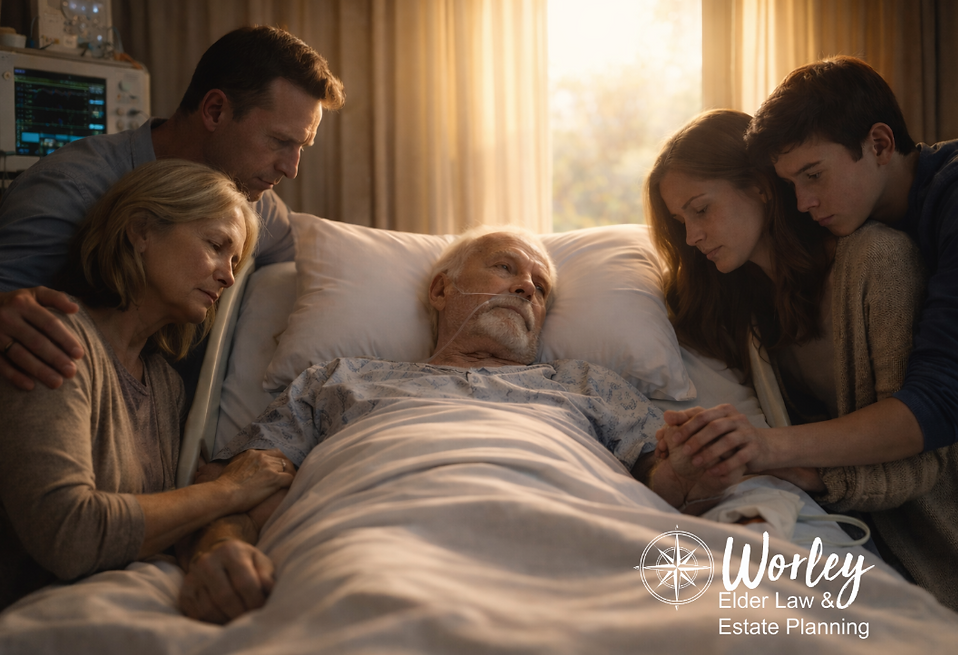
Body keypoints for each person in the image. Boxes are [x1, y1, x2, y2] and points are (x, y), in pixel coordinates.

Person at [174, 227, 745, 624]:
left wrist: (687, 470)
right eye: (505, 267)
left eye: (540, 287)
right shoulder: (338, 380)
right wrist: (216, 549)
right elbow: (234, 486)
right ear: (441, 289)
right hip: (375, 552)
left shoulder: (587, 384)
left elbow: (660, 482)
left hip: (582, 545)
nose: (527, 287)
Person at [649, 109, 958, 621]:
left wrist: (770, 454)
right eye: (680, 222)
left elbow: (921, 464)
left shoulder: (877, 261)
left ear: (761, 187)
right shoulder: (748, 311)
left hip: (952, 545)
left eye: (701, 210)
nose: (691, 236)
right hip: (863, 542)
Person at [0, 159, 296, 610]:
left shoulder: (164, 385)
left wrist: (216, 550)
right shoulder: (54, 340)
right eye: (216, 246)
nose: (228, 275)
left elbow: (177, 513)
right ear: (141, 231)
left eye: (235, 261)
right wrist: (229, 490)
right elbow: (69, 535)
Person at [664, 56, 958, 475]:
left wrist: (766, 448)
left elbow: (943, 401)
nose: (801, 202)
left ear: (880, 145)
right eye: (790, 183)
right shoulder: (858, 233)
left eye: (813, 175)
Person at [0, 24, 345, 393]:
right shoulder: (70, 189)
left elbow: (311, 260)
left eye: (301, 147)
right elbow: (12, 313)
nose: (291, 169)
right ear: (215, 111)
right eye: (279, 141)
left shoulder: (249, 198)